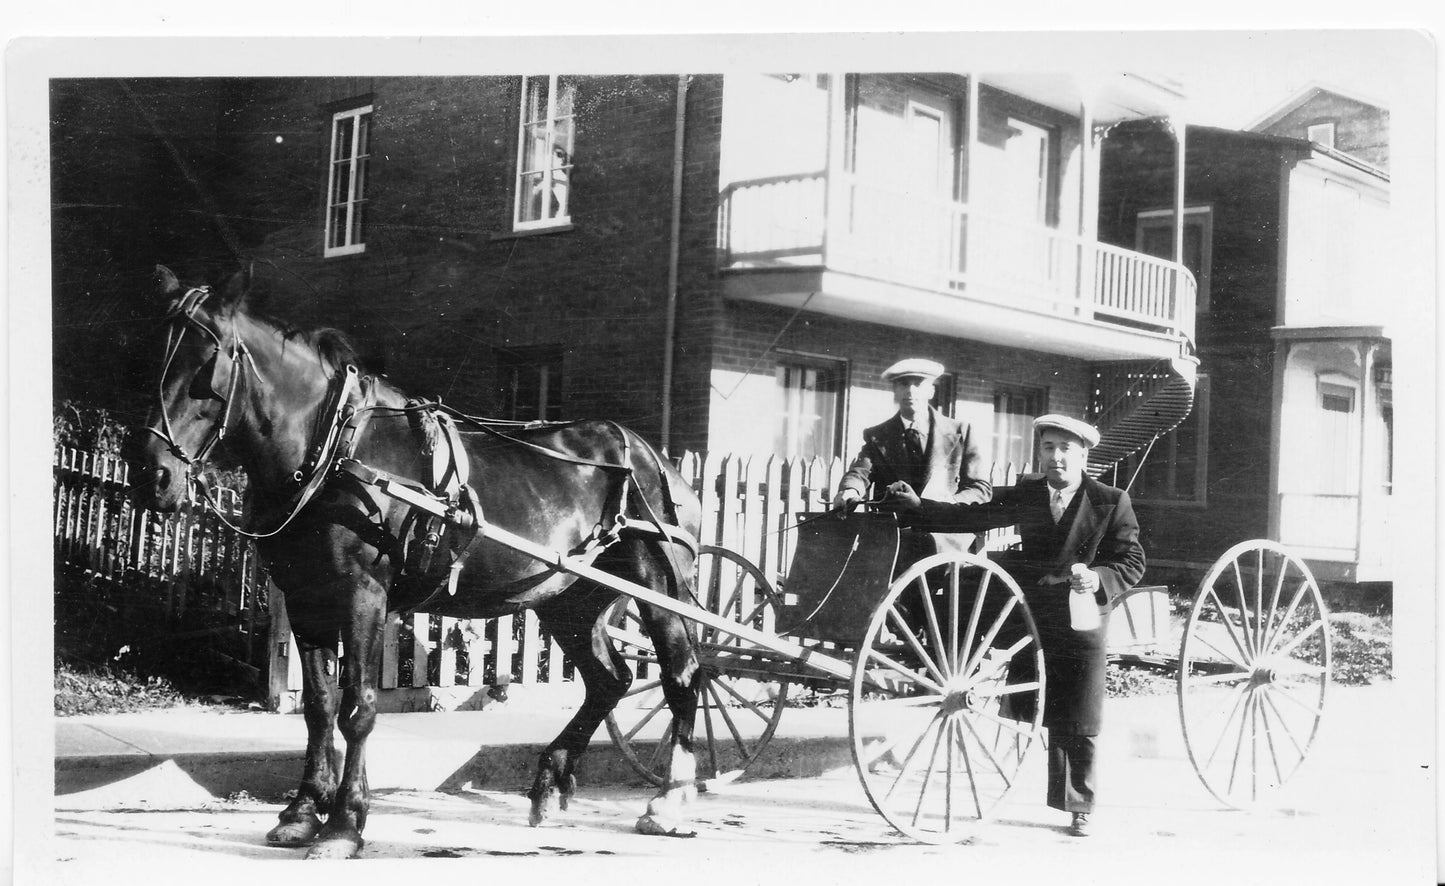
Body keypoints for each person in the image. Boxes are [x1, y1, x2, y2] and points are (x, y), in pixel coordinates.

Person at [880, 413, 1145, 838]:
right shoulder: (1028, 492)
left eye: (1065, 449)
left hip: (1080, 613)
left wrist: (1097, 578)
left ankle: (1079, 804)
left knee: (1078, 706)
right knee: (967, 592)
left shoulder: (1110, 501)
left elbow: (1131, 561)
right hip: (1029, 606)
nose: (1055, 457)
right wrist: (919, 510)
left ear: (1083, 455)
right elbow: (973, 518)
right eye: (1048, 448)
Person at [835, 358, 991, 558]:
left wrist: (948, 504)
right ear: (895, 391)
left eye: (918, 384)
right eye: (903, 384)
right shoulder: (878, 436)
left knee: (923, 544)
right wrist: (850, 490)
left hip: (946, 529)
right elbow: (861, 471)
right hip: (895, 531)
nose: (911, 390)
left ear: (931, 391)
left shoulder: (960, 432)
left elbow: (980, 488)